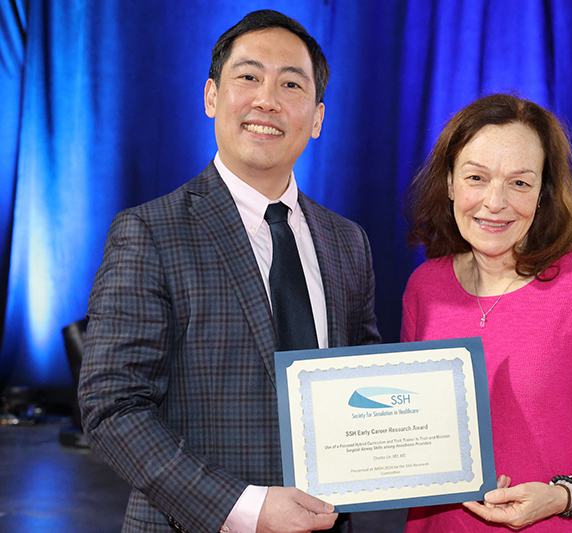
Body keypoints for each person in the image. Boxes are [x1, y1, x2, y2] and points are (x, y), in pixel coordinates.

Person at [78, 10, 380, 533]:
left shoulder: (347, 241)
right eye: (248, 77)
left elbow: (363, 386)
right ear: (212, 97)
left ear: (317, 118)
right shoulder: (149, 232)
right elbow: (112, 408)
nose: (267, 98)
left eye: (291, 83)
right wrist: (246, 509)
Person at [401, 93, 572, 531]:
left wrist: (567, 495)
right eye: (476, 177)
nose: (495, 202)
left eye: (519, 183)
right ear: (450, 182)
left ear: (543, 193)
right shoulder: (425, 287)